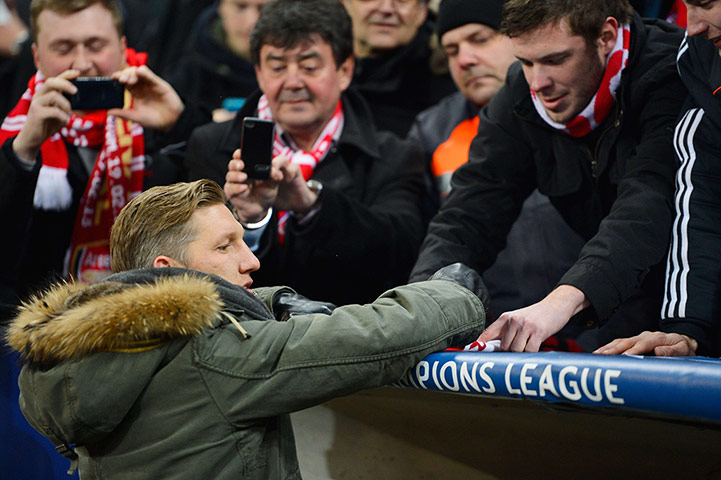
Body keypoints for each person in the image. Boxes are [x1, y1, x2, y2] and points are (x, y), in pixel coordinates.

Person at [4, 179, 487, 479]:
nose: (251, 259)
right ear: (168, 269)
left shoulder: (102, 351)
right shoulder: (207, 353)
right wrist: (451, 296)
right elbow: (372, 337)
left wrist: (272, 302)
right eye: (226, 246)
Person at [411, 0, 686, 352]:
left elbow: (648, 202)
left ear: (606, 36)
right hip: (622, 302)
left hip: (693, 297)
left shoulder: (671, 70)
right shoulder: (520, 94)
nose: (538, 83)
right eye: (525, 62)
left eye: (556, 60)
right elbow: (471, 210)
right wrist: (422, 303)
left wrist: (560, 303)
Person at [186, 0, 427, 306]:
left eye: (309, 66)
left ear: (344, 70)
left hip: (355, 336)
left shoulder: (393, 154)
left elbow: (401, 256)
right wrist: (250, 221)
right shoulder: (211, 147)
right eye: (277, 67)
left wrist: (311, 205)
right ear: (259, 73)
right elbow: (194, 268)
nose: (293, 82)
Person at [0, 0, 206, 321]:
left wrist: (178, 123)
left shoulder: (155, 111)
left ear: (123, 48)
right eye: (63, 48)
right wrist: (24, 150)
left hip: (151, 317)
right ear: (37, 56)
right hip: (43, 326)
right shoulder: (14, 130)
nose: (82, 64)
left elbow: (208, 211)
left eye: (96, 46)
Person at [407, 0, 585, 321]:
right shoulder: (430, 132)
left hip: (597, 327)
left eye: (480, 39)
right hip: (496, 346)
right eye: (451, 50)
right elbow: (438, 243)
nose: (464, 60)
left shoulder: (578, 105)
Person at [596, 0, 721, 357]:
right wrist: (687, 329)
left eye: (706, 3)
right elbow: (703, 197)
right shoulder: (699, 56)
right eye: (687, 6)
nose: (693, 26)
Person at [342, 0, 456, 136]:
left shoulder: (449, 79)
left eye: (401, 0)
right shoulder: (320, 71)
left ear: (422, 11)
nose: (386, 9)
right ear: (344, 4)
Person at [167, 0, 268, 122]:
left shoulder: (293, 74)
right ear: (221, 7)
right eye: (240, 7)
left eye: (263, 9)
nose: (252, 21)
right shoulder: (191, 74)